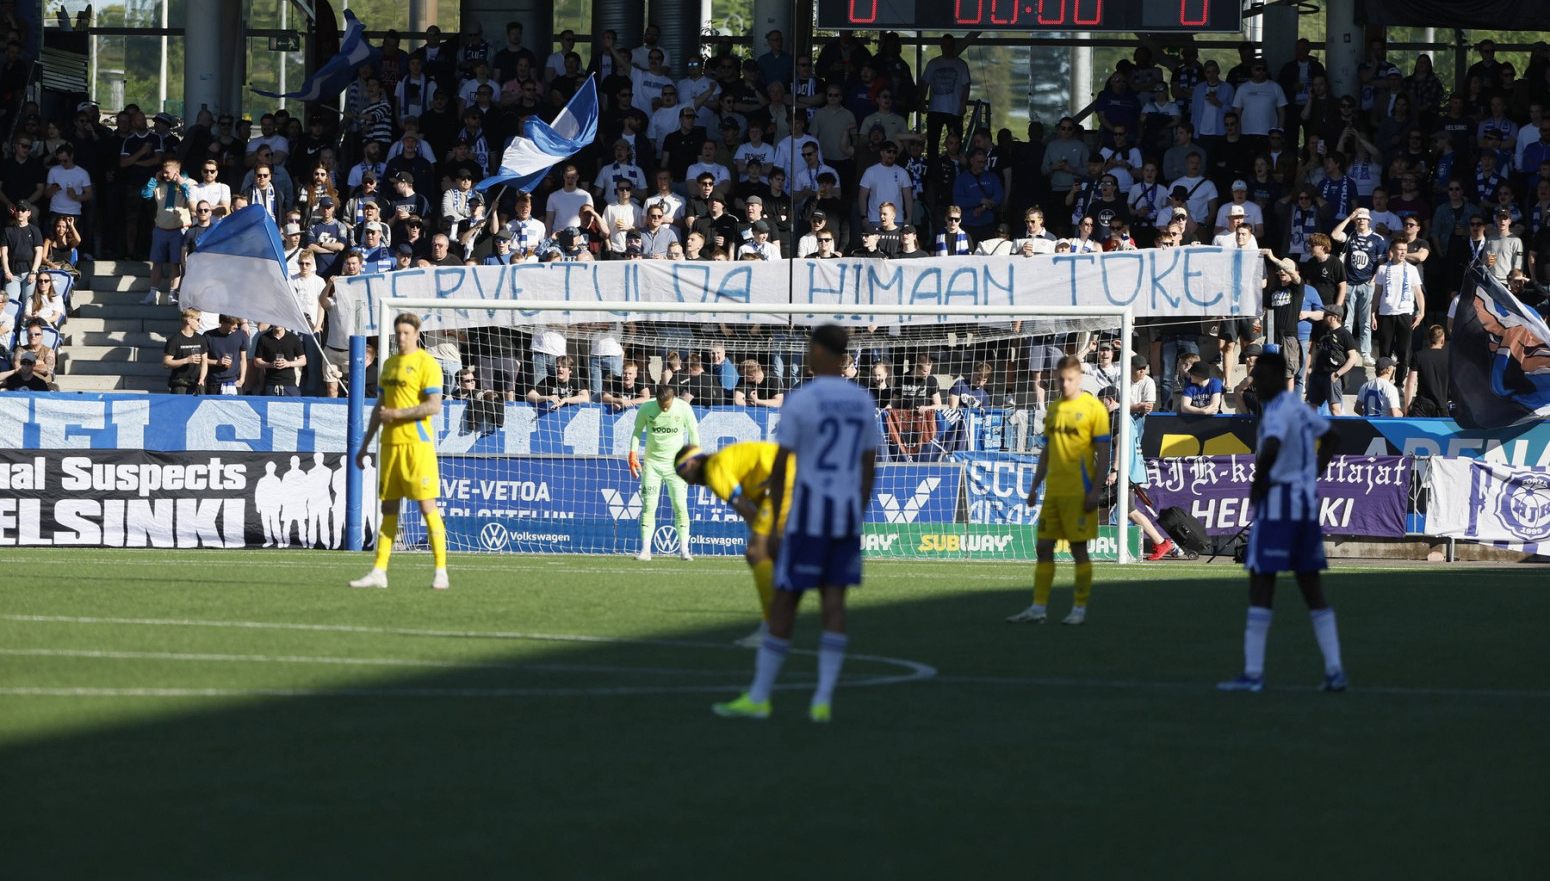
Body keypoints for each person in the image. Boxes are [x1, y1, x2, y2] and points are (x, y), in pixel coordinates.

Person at [711, 324, 879, 723]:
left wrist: (775, 522)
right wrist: (857, 511)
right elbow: (868, 465)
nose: (805, 353)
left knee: (785, 600)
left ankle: (760, 695)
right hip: (842, 515)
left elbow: (784, 463)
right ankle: (822, 699)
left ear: (820, 352)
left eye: (809, 347)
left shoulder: (803, 400)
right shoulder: (861, 399)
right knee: (833, 603)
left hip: (806, 515)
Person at [1219, 349, 1347, 693]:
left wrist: (1259, 485)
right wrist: (1312, 473)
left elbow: (1273, 445)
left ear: (1277, 377)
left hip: (1278, 509)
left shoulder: (1278, 409)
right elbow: (1332, 437)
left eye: (1260, 378)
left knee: (1261, 584)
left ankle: (1253, 673)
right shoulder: (1300, 409)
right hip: (1304, 508)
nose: (1255, 384)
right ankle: (1335, 671)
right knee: (1310, 588)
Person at [1007, 355, 1112, 625]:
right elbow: (1047, 450)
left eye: (1069, 379)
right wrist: (1034, 487)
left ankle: (1079, 609)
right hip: (1053, 492)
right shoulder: (1054, 408)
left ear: (1079, 378)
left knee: (1078, 550)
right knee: (1043, 547)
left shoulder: (1094, 409)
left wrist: (1095, 491)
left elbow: (1104, 452)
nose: (1064, 384)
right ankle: (1038, 608)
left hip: (1079, 492)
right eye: (1060, 379)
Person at [351, 313, 449, 591]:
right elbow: (379, 408)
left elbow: (433, 406)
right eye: (399, 333)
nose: (402, 337)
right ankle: (379, 571)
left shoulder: (427, 364)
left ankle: (441, 570)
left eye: (407, 332)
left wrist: (399, 413)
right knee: (388, 508)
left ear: (417, 333)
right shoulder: (390, 364)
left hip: (417, 446)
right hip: (389, 446)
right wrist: (365, 444)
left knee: (426, 506)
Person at [676, 440, 797, 649]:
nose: (688, 483)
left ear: (691, 464)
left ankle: (772, 628)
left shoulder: (715, 468)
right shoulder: (731, 464)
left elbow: (747, 511)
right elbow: (759, 504)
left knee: (755, 552)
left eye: (683, 474)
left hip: (787, 479)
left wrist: (761, 541)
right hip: (795, 472)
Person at [630, 383, 700, 563]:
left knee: (680, 506)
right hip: (652, 465)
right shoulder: (647, 408)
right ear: (657, 399)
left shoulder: (684, 409)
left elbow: (693, 433)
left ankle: (684, 550)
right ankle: (646, 551)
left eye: (667, 403)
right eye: (662, 404)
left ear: (673, 398)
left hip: (676, 467)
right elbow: (637, 431)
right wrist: (633, 454)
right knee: (649, 507)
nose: (665, 407)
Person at [253, 322, 306, 397]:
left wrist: (288, 364)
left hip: (289, 384)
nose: (277, 324)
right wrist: (270, 365)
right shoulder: (264, 338)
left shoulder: (293, 338)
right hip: (270, 384)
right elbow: (256, 361)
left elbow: (303, 360)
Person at [162, 307, 208, 394]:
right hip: (179, 382)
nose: (199, 323)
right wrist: (186, 360)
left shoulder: (201, 339)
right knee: (180, 407)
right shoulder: (174, 340)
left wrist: (202, 378)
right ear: (189, 320)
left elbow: (204, 362)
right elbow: (166, 363)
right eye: (198, 320)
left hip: (197, 382)